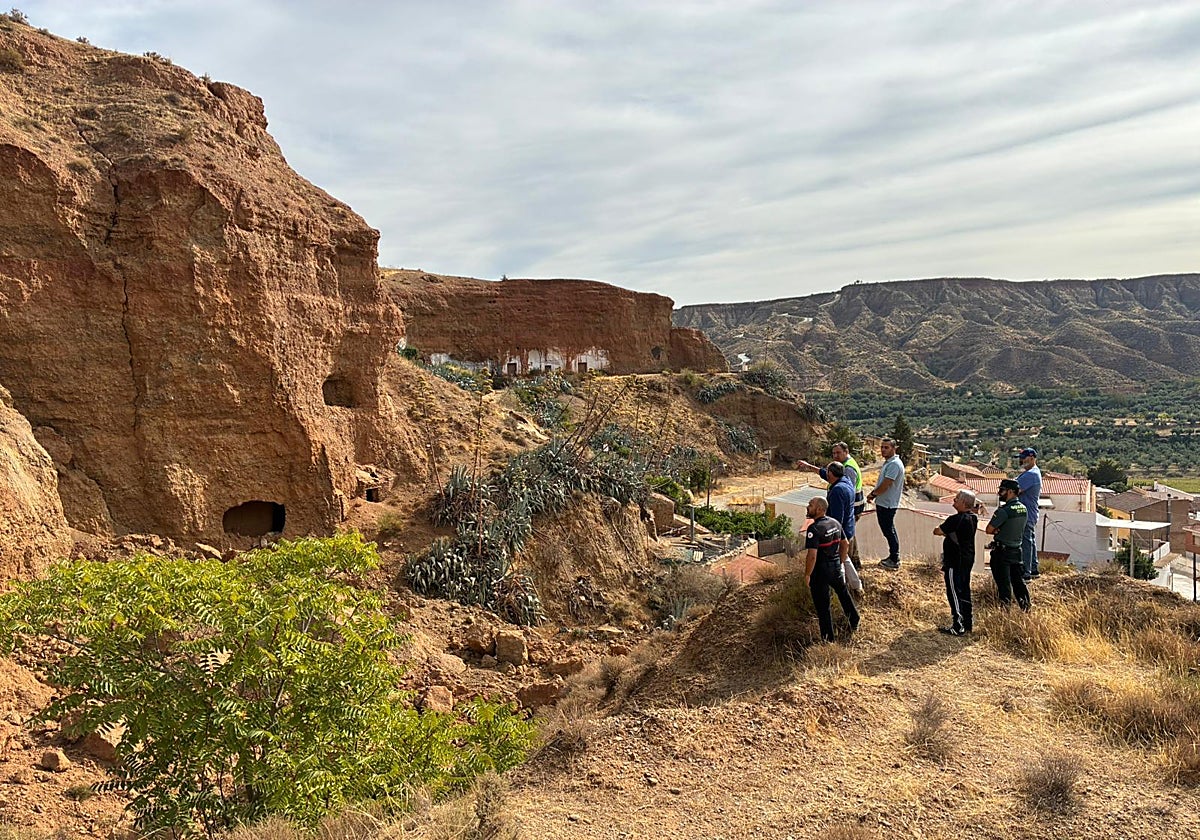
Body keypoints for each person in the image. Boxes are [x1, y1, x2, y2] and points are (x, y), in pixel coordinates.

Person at [796, 442, 866, 567]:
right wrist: (809, 467)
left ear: (846, 451)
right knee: (848, 535)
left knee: (845, 538)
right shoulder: (841, 469)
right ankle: (853, 565)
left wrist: (832, 533)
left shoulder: (848, 471)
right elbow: (828, 475)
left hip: (852, 507)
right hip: (849, 508)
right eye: (833, 453)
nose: (835, 455)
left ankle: (847, 565)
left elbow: (838, 518)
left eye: (838, 453)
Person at [803, 496, 860, 643]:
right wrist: (839, 561)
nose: (808, 507)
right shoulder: (835, 523)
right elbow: (845, 544)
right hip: (834, 567)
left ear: (820, 509)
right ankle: (854, 620)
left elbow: (812, 555)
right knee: (843, 594)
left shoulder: (814, 529)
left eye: (811, 505)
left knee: (823, 606)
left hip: (820, 572)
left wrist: (807, 574)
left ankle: (828, 640)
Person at [933, 489, 979, 635]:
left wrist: (947, 531)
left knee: (954, 592)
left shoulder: (955, 519)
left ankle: (958, 625)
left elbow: (937, 531)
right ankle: (968, 624)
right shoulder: (973, 518)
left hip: (954, 561)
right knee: (964, 590)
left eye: (957, 498)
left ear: (964, 503)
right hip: (967, 559)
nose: (954, 500)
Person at [987, 478, 1030, 610]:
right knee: (1019, 583)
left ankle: (1005, 613)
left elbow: (989, 529)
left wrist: (997, 529)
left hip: (1002, 553)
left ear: (1011, 492)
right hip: (1017, 551)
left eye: (1002, 490)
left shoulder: (1004, 510)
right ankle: (1026, 608)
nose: (1000, 493)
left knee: (1004, 584)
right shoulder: (1023, 509)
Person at [824, 461, 862, 594]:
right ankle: (857, 586)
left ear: (831, 473)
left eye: (827, 472)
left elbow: (837, 518)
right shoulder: (846, 481)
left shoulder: (837, 491)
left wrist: (834, 536)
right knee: (845, 559)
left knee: (839, 561)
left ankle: (842, 590)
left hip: (841, 533)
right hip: (849, 529)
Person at [867, 438, 905, 569]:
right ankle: (893, 557)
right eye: (882, 447)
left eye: (886, 447)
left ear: (894, 448)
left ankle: (894, 559)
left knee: (889, 531)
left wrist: (873, 494)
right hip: (885, 502)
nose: (883, 450)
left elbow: (886, 484)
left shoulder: (894, 464)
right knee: (888, 531)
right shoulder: (889, 463)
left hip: (887, 504)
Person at [1016, 447, 1042, 582]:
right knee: (1030, 541)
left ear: (1032, 458)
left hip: (1025, 514)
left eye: (1024, 458)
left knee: (1025, 542)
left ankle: (1026, 572)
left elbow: (1015, 490)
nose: (1021, 460)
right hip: (1030, 513)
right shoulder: (1032, 473)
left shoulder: (1031, 474)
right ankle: (1033, 569)